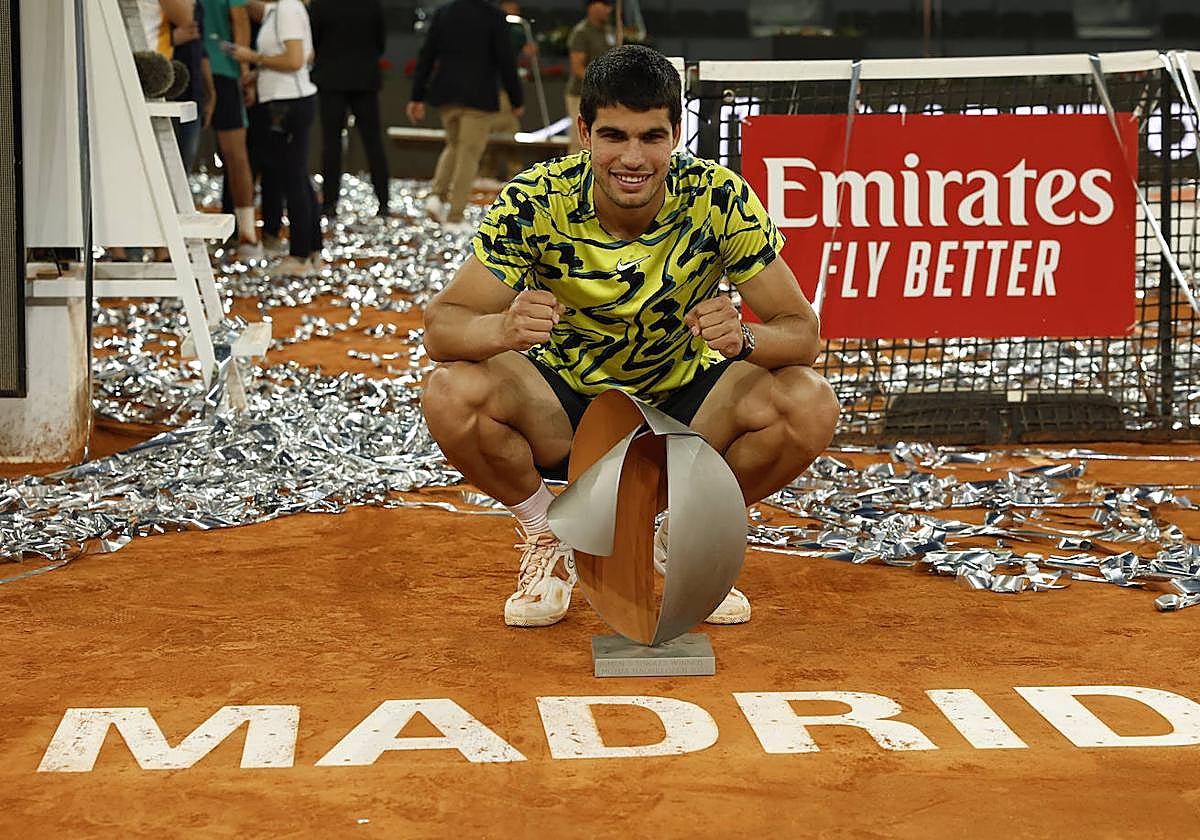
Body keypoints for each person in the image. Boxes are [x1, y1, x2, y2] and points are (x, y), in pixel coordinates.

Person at [419, 45, 840, 628]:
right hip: (565, 410)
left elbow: (803, 334)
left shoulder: (719, 199)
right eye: (615, 136)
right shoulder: (536, 201)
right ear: (586, 133)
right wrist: (502, 327)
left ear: (675, 136)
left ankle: (685, 535)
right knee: (449, 392)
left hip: (686, 412)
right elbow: (442, 327)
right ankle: (552, 535)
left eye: (652, 137)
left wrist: (745, 338)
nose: (633, 158)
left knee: (809, 402)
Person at [406, 0, 524, 232]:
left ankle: (437, 196)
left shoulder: (444, 13)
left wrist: (417, 96)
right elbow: (506, 61)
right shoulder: (493, 17)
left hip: (447, 93)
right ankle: (455, 217)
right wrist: (516, 99)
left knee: (454, 146)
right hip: (479, 97)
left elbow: (426, 55)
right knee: (469, 155)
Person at [229, 0, 321, 274]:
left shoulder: (288, 9)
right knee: (298, 178)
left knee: (293, 179)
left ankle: (300, 255)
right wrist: (260, 73)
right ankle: (311, 251)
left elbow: (294, 60)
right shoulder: (280, 11)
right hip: (287, 100)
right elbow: (305, 56)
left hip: (289, 103)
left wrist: (254, 58)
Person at [309, 0, 391, 218]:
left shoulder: (321, 5)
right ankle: (383, 202)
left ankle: (329, 203)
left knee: (331, 144)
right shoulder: (371, 4)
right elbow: (380, 41)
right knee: (373, 142)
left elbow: (314, 39)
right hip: (365, 79)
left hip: (331, 79)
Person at [202, 0, 263, 259]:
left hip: (191, 64)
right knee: (237, 156)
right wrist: (244, 71)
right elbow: (239, 18)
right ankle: (248, 238)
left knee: (175, 155)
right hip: (223, 68)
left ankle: (165, 245)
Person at [564, 0, 614, 155]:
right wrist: (602, 82)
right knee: (580, 139)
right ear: (592, 7)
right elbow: (577, 67)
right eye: (604, 5)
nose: (609, 10)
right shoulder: (581, 32)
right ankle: (574, 176)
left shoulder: (608, 31)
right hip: (581, 94)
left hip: (605, 95)